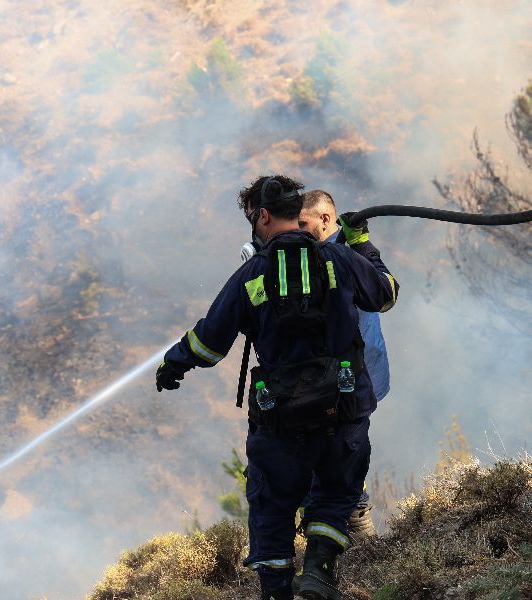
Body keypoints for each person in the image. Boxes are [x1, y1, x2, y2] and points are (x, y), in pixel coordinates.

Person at [155, 175, 398, 600]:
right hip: (343, 407)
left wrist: (173, 364)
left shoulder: (251, 274)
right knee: (336, 490)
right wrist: (360, 244)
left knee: (273, 505)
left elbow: (210, 343)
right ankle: (319, 572)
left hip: (280, 416)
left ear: (263, 217)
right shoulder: (338, 259)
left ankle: (277, 593)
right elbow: (386, 294)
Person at [299, 190, 391, 540]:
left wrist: (363, 246)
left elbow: (387, 294)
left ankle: (355, 536)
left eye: (304, 224)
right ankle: (342, 535)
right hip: (334, 381)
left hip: (351, 378)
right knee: (333, 455)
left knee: (341, 456)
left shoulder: (342, 257)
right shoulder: (322, 254)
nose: (299, 232)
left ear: (325, 219)